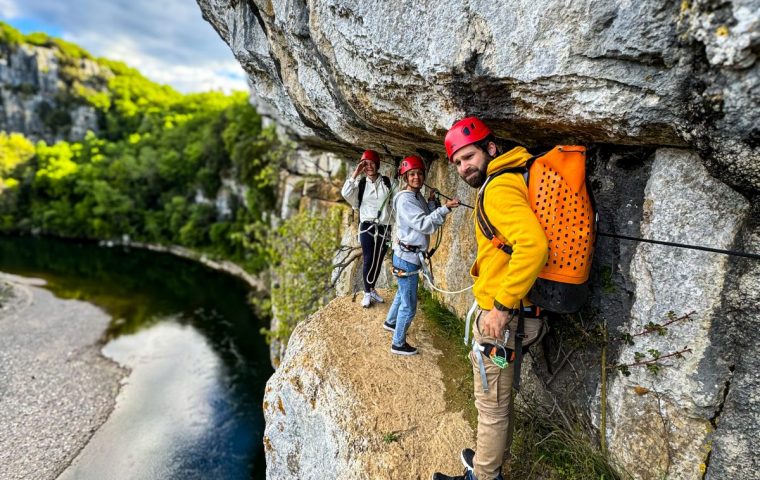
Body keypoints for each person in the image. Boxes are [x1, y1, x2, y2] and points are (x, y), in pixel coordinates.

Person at [433, 117, 549, 480]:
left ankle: (483, 476)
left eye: (468, 156)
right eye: (457, 163)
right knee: (496, 400)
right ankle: (487, 461)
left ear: (490, 149)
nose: (464, 167)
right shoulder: (509, 178)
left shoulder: (498, 189)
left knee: (491, 405)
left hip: (503, 321)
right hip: (516, 312)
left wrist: (499, 308)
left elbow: (533, 246)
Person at [384, 155, 459, 355]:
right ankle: (397, 343)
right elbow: (425, 225)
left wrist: (433, 202)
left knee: (402, 293)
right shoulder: (406, 201)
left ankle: (390, 322)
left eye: (419, 173)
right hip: (407, 258)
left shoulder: (416, 197)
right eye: (412, 174)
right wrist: (445, 208)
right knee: (409, 306)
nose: (416, 177)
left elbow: (427, 219)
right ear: (405, 177)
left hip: (408, 256)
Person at [341, 149, 395, 308]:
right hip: (367, 226)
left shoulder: (387, 182)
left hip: (385, 227)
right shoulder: (361, 184)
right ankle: (366, 292)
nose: (369, 166)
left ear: (377, 165)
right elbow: (345, 193)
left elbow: (397, 197)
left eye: (372, 163)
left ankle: (372, 289)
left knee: (378, 261)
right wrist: (355, 173)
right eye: (365, 164)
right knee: (369, 258)